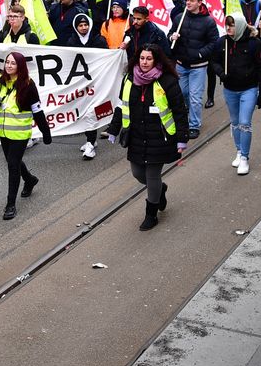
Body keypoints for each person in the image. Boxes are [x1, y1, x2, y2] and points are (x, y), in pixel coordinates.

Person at [106, 45, 188, 230]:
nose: (144, 62)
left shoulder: (167, 81)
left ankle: (151, 215)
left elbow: (179, 111)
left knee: (152, 175)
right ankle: (160, 189)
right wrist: (113, 129)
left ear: (156, 60)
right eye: (142, 58)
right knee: (138, 173)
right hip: (136, 136)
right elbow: (121, 105)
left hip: (159, 137)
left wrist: (182, 138)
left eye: (149, 59)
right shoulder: (129, 79)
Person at [0, 50, 52, 220]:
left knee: (13, 165)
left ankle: (10, 205)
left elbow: (37, 110)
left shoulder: (28, 84)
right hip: (3, 130)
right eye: (7, 62)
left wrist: (45, 132)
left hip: (20, 132)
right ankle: (29, 179)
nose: (9, 65)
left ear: (20, 66)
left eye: (13, 63)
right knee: (11, 161)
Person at [207, 14, 261, 175]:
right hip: (230, 89)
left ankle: (245, 157)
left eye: (232, 25)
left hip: (249, 88)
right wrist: (221, 73)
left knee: (244, 122)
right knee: (234, 122)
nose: (228, 28)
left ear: (239, 26)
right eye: (227, 24)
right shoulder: (222, 42)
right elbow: (214, 61)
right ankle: (239, 151)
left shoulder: (254, 44)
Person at [169, 0, 220, 139]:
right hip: (181, 64)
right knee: (183, 93)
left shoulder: (208, 21)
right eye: (187, 0)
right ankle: (188, 113)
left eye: (191, 0)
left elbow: (214, 42)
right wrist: (172, 37)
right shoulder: (179, 18)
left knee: (195, 97)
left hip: (198, 66)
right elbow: (169, 34)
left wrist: (200, 54)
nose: (188, 3)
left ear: (199, 2)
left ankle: (193, 125)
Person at [64, 13, 106, 160]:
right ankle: (91, 139)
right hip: (80, 84)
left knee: (92, 112)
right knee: (84, 111)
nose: (83, 28)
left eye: (85, 25)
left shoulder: (99, 40)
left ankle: (90, 142)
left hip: (96, 82)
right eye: (80, 25)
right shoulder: (71, 42)